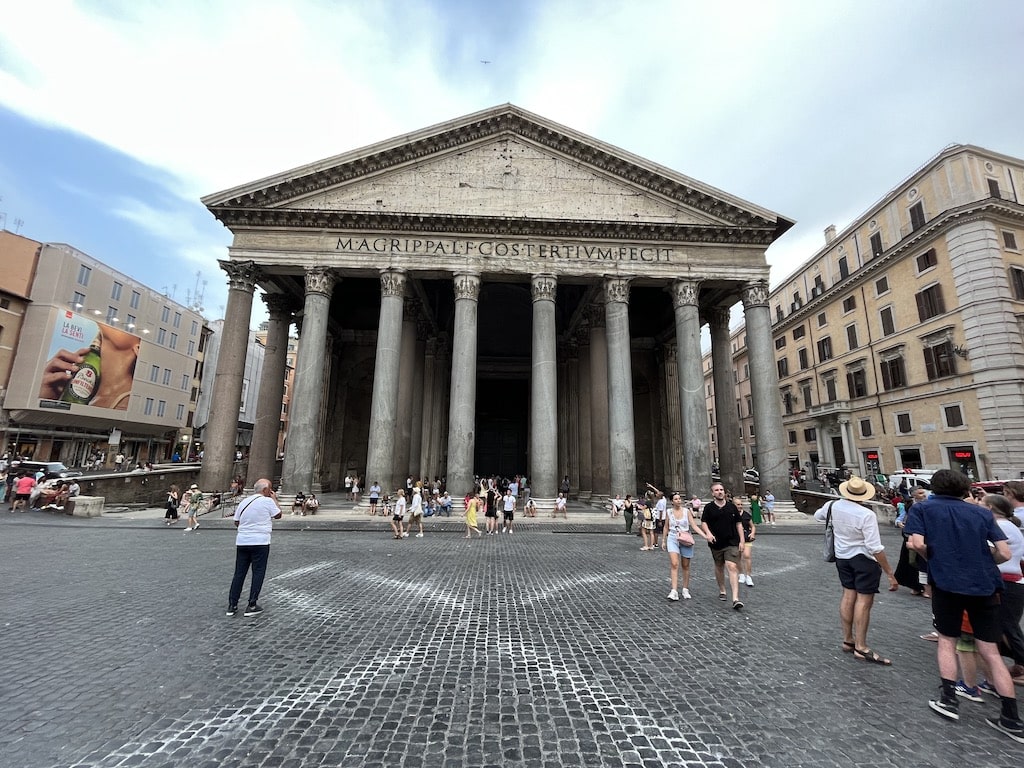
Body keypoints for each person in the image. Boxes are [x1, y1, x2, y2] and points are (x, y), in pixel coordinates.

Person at [905, 469, 1024, 741]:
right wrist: (980, 564)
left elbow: (918, 544)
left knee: (948, 641)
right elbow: (1004, 553)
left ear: (934, 487)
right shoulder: (981, 513)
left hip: (948, 583)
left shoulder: (923, 509)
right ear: (964, 489)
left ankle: (949, 700)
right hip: (985, 585)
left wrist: (936, 558)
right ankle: (1012, 719)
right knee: (991, 652)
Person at [814, 475, 897, 663]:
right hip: (863, 561)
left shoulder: (832, 506)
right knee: (864, 602)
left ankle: (848, 640)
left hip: (842, 558)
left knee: (848, 595)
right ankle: (861, 646)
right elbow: (875, 547)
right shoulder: (866, 515)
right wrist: (889, 572)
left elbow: (819, 516)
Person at [982, 494, 1024, 683]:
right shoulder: (1010, 525)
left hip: (1006, 581)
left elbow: (993, 552)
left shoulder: (1001, 526)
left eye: (982, 503)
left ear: (990, 507)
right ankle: (1018, 665)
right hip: (1012, 580)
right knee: (1005, 627)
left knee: (1008, 628)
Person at [226, 478, 282, 617]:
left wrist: (247, 529)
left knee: (239, 573)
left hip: (242, 541)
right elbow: (278, 515)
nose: (271, 492)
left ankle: (232, 606)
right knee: (258, 572)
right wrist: (275, 499)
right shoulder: (268, 501)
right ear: (265, 490)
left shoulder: (244, 501)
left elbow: (236, 521)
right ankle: (252, 605)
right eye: (270, 489)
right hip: (260, 542)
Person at [700, 482, 746, 610]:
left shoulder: (732, 507)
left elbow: (739, 524)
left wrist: (742, 540)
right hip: (716, 543)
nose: (720, 492)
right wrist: (708, 534)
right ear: (712, 493)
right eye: (717, 490)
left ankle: (736, 598)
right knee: (719, 566)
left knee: (732, 566)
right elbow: (704, 522)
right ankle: (722, 589)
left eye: (721, 489)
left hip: (732, 542)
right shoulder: (709, 507)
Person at [665, 492, 707, 600]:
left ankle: (685, 589)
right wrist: (663, 540)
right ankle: (674, 590)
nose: (678, 500)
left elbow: (693, 525)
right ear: (672, 501)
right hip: (673, 537)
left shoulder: (686, 511)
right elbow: (666, 526)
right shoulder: (669, 512)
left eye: (679, 499)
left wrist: (705, 536)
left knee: (685, 565)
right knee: (674, 564)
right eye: (676, 499)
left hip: (685, 538)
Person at [739, 499, 757, 586]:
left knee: (747, 556)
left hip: (746, 538)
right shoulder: (731, 514)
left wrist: (753, 533)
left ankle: (748, 576)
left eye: (741, 504)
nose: (739, 506)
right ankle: (741, 574)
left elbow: (752, 526)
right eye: (738, 504)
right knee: (738, 557)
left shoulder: (746, 515)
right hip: (736, 539)